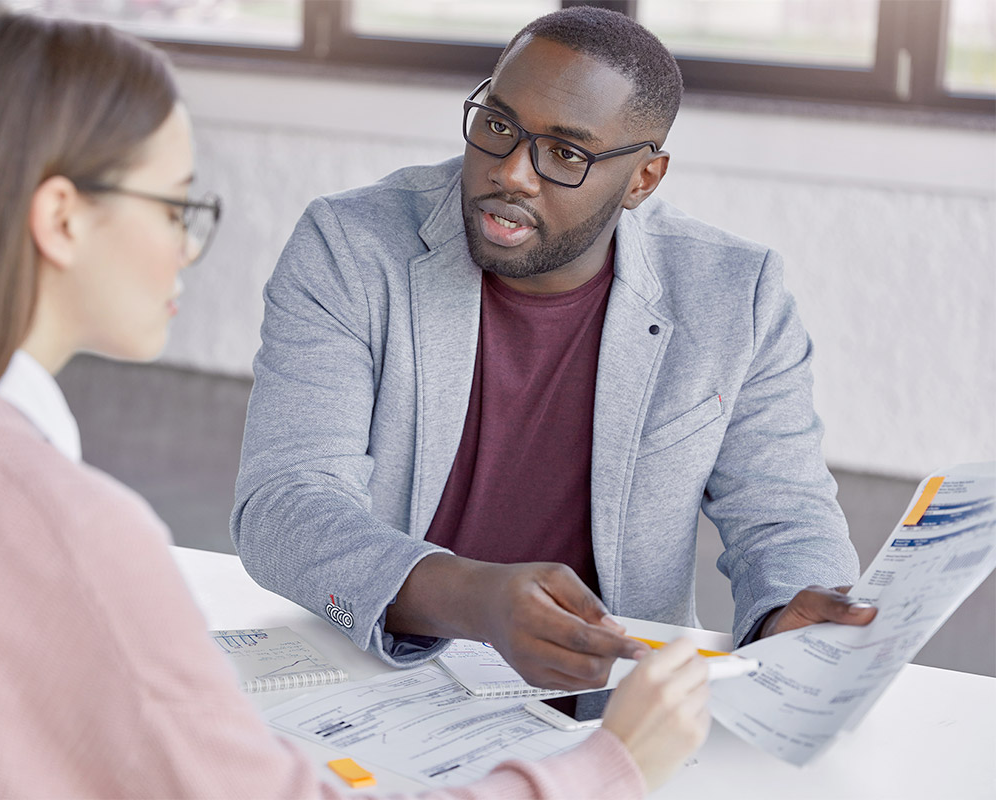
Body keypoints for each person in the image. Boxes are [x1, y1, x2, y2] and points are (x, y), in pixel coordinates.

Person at [0, 5, 709, 797]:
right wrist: (616, 764)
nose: (185, 249)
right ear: (63, 218)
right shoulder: (66, 531)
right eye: (175, 206)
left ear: (643, 178)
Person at [232, 5, 878, 691]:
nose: (512, 173)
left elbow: (786, 517)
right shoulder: (350, 247)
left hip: (612, 694)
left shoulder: (735, 296)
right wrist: (475, 600)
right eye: (498, 125)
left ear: (642, 180)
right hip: (381, 675)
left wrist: (786, 617)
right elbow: (284, 507)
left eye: (567, 153)